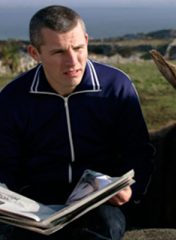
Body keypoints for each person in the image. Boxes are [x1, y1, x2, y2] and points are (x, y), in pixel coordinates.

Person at [0, 5, 154, 240]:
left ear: (86, 40)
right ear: (35, 53)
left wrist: (131, 190)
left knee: (105, 226)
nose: (72, 61)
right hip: (35, 202)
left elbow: (139, 153)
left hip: (100, 202)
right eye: (59, 52)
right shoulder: (12, 98)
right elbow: (5, 165)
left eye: (79, 48)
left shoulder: (116, 87)